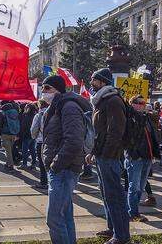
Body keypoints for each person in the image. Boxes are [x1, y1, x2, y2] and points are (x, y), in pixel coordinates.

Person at [41, 75, 89, 244]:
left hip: (64, 169)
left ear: (58, 90)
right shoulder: (56, 107)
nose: (43, 92)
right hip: (61, 169)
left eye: (47, 88)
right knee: (65, 216)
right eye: (42, 88)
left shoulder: (68, 107)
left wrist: (56, 164)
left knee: (54, 218)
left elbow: (74, 141)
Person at [85, 68, 130, 244]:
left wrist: (106, 154)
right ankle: (112, 228)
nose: (91, 83)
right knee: (106, 194)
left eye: (93, 80)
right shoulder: (102, 100)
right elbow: (100, 132)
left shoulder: (112, 101)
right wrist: (94, 153)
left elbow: (115, 132)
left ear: (102, 82)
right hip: (103, 155)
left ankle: (121, 236)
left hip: (110, 156)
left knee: (114, 195)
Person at [125, 95, 160, 222]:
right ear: (131, 103)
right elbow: (126, 138)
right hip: (135, 158)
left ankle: (133, 212)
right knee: (134, 187)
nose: (140, 104)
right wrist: (134, 154)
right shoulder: (128, 117)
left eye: (142, 102)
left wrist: (155, 154)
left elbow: (153, 137)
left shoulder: (147, 118)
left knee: (141, 186)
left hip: (147, 157)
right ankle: (132, 213)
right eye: (137, 102)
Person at [0, 101, 20, 171]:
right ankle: (7, 163)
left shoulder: (2, 113)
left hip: (5, 133)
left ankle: (10, 166)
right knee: (10, 149)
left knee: (8, 151)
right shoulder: (16, 113)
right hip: (14, 133)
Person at [31, 100, 48, 189]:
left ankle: (44, 182)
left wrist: (34, 137)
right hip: (54, 142)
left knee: (42, 163)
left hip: (41, 141)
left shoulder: (39, 115)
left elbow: (33, 130)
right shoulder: (56, 112)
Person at [19, 103, 37, 169]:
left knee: (25, 151)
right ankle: (33, 164)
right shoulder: (35, 115)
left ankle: (24, 164)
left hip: (26, 135)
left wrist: (20, 135)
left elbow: (23, 126)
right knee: (32, 150)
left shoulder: (25, 115)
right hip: (33, 135)